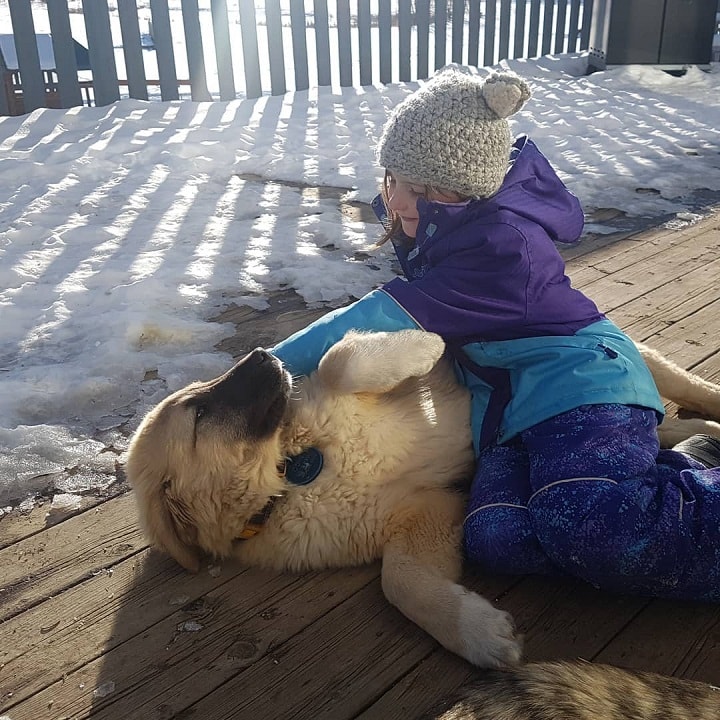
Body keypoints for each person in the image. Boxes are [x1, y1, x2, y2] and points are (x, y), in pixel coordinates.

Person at [271, 68, 720, 601]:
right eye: (399, 182)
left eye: (433, 192)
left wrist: (262, 371)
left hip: (581, 388)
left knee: (584, 523)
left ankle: (664, 501)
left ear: (472, 191)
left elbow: (377, 318)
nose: (407, 203)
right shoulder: (447, 230)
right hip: (514, 414)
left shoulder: (499, 248)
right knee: (494, 537)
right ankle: (678, 471)